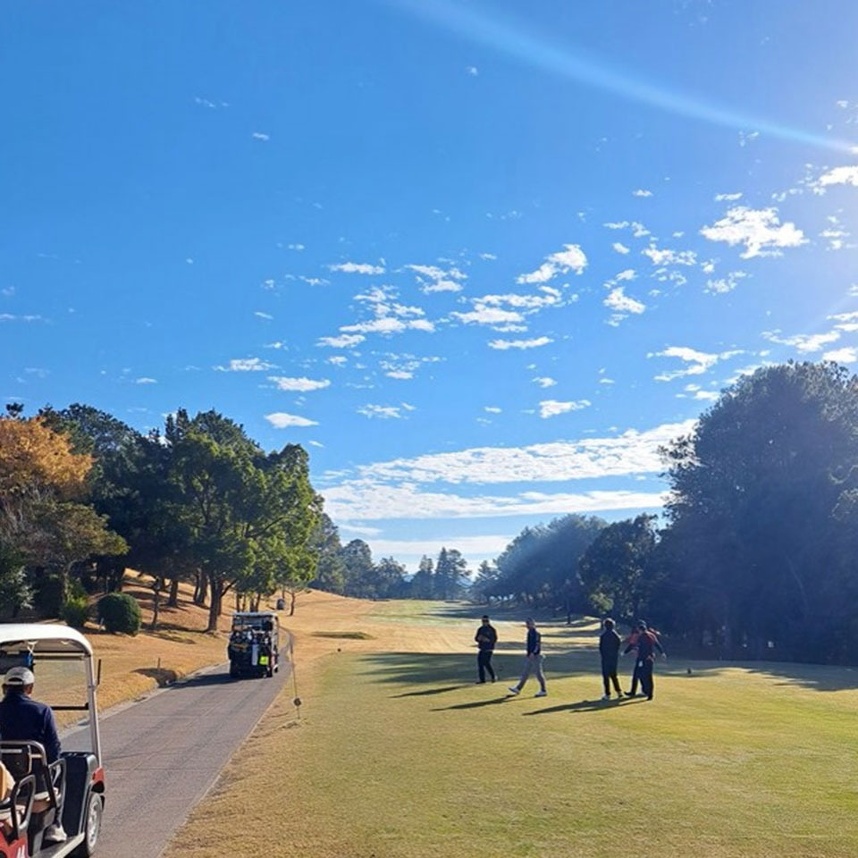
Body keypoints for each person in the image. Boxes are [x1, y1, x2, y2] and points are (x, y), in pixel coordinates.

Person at [0, 666, 67, 843]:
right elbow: (53, 751)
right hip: (35, 785)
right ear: (29, 688)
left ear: (4, 689)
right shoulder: (42, 711)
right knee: (63, 767)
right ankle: (56, 825)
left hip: (3, 782)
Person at [623, 621, 666, 701]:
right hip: (650, 658)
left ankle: (635, 691)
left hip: (642, 659)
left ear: (640, 629)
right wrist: (662, 652)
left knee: (637, 675)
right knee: (648, 677)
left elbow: (633, 645)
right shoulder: (651, 635)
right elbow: (657, 644)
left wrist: (625, 652)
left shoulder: (640, 637)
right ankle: (649, 694)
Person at [508, 618, 547, 698]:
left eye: (529, 624)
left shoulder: (536, 633)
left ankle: (543, 690)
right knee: (525, 673)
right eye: (527, 624)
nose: (527, 625)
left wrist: (533, 653)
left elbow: (537, 645)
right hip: (530, 656)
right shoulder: (529, 633)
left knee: (538, 674)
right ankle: (518, 688)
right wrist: (529, 653)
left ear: (533, 624)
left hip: (536, 656)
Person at [599, 618, 623, 700]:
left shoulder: (603, 636)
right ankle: (619, 691)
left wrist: (604, 655)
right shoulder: (615, 635)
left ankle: (607, 694)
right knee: (614, 675)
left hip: (606, 658)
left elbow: (601, 648)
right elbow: (618, 645)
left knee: (606, 677)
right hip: (614, 658)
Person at [474, 615, 497, 683]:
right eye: (483, 621)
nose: (484, 622)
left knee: (486, 663)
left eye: (486, 621)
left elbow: (494, 639)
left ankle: (493, 676)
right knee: (480, 664)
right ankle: (482, 679)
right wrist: (479, 638)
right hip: (482, 649)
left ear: (488, 621)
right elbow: (476, 638)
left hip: (488, 649)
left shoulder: (492, 630)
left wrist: (487, 640)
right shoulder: (480, 629)